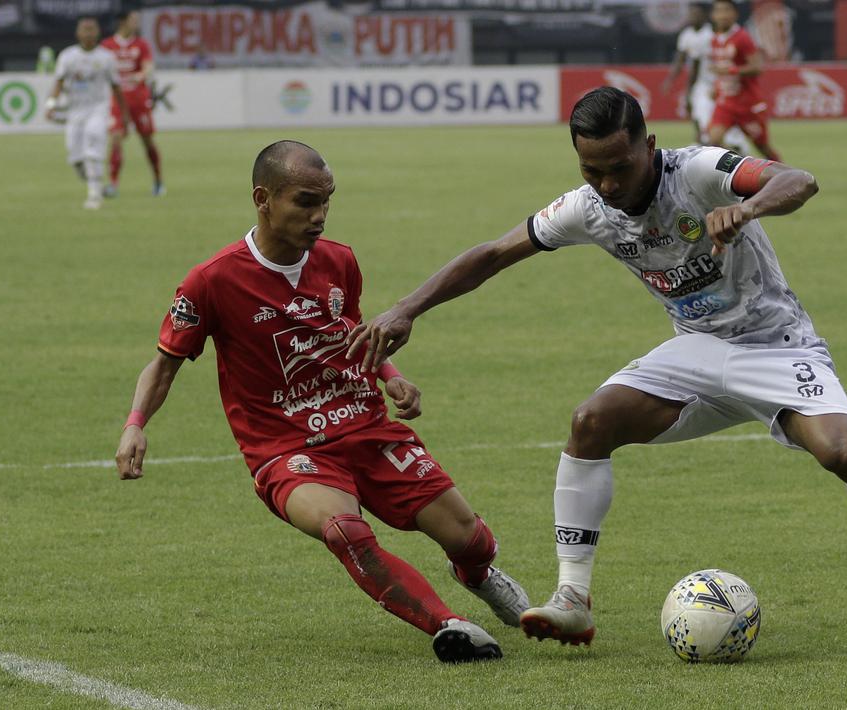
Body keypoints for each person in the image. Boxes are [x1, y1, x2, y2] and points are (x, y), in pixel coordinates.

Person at [347, 88, 847, 649]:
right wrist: (407, 308)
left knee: (846, 456)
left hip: (776, 345)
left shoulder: (698, 170)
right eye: (593, 170)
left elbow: (797, 179)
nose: (609, 185)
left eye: (620, 167)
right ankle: (573, 599)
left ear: (650, 145)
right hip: (695, 351)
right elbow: (492, 254)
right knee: (590, 422)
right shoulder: (586, 207)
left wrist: (749, 209)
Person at [113, 141, 528, 663]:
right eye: (306, 202)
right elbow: (165, 362)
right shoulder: (212, 280)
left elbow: (349, 329)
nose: (319, 216)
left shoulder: (339, 260)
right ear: (263, 198)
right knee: (344, 530)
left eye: (327, 201)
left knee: (469, 538)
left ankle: (479, 576)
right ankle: (448, 625)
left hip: (366, 427)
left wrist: (391, 375)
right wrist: (135, 424)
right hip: (285, 448)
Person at [46, 16, 127, 210]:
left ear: (98, 32)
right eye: (85, 29)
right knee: (75, 156)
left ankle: (94, 194)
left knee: (93, 144)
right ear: (78, 33)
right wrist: (50, 104)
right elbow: (58, 82)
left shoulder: (106, 58)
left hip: (98, 109)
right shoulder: (68, 56)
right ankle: (89, 176)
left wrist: (124, 114)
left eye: (92, 29)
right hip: (75, 111)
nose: (89, 33)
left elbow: (116, 87)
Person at [661, 2, 752, 154]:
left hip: (718, 85)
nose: (692, 16)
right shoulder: (687, 34)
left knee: (715, 125)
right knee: (700, 116)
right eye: (691, 13)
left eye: (696, 13)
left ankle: (732, 151)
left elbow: (696, 66)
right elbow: (683, 60)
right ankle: (705, 144)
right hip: (704, 85)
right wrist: (672, 80)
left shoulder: (710, 35)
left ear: (705, 15)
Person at [706, 0, 781, 161]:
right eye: (719, 11)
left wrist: (731, 71)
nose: (723, 15)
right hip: (726, 103)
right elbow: (721, 69)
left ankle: (788, 178)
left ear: (735, 14)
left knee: (763, 148)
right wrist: (717, 87)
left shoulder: (742, 37)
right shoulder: (715, 39)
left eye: (727, 10)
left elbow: (757, 67)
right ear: (713, 15)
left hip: (747, 104)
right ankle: (743, 165)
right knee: (713, 142)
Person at [101, 9, 164, 197]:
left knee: (147, 141)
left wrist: (141, 75)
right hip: (118, 101)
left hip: (138, 100)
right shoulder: (107, 45)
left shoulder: (141, 45)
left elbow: (148, 68)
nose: (136, 23)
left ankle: (158, 180)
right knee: (116, 138)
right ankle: (113, 183)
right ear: (123, 22)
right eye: (133, 19)